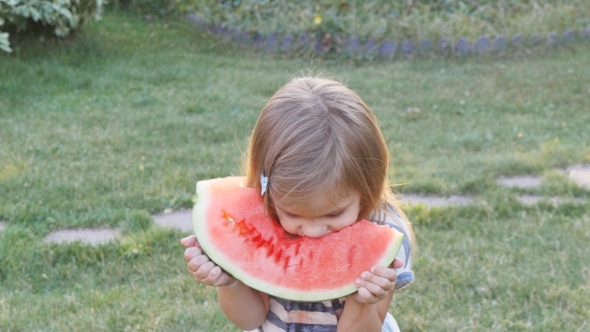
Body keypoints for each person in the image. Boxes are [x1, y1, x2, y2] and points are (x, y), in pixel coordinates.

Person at [181, 77, 415, 332]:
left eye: (335, 213)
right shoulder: (259, 221)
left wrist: (363, 302)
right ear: (267, 191)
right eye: (292, 214)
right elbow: (250, 319)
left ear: (368, 187)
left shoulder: (389, 234)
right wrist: (229, 281)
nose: (313, 231)